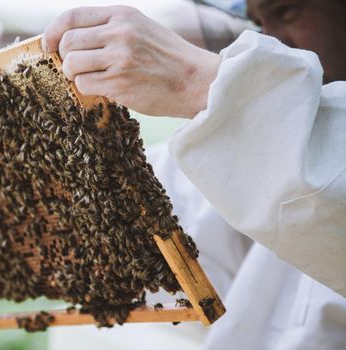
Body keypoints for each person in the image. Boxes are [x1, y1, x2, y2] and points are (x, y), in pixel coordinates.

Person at [42, 1, 345, 349]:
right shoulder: (243, 148)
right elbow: (182, 215)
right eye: (260, 23)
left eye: (286, 11)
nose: (273, 40)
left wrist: (196, 81)